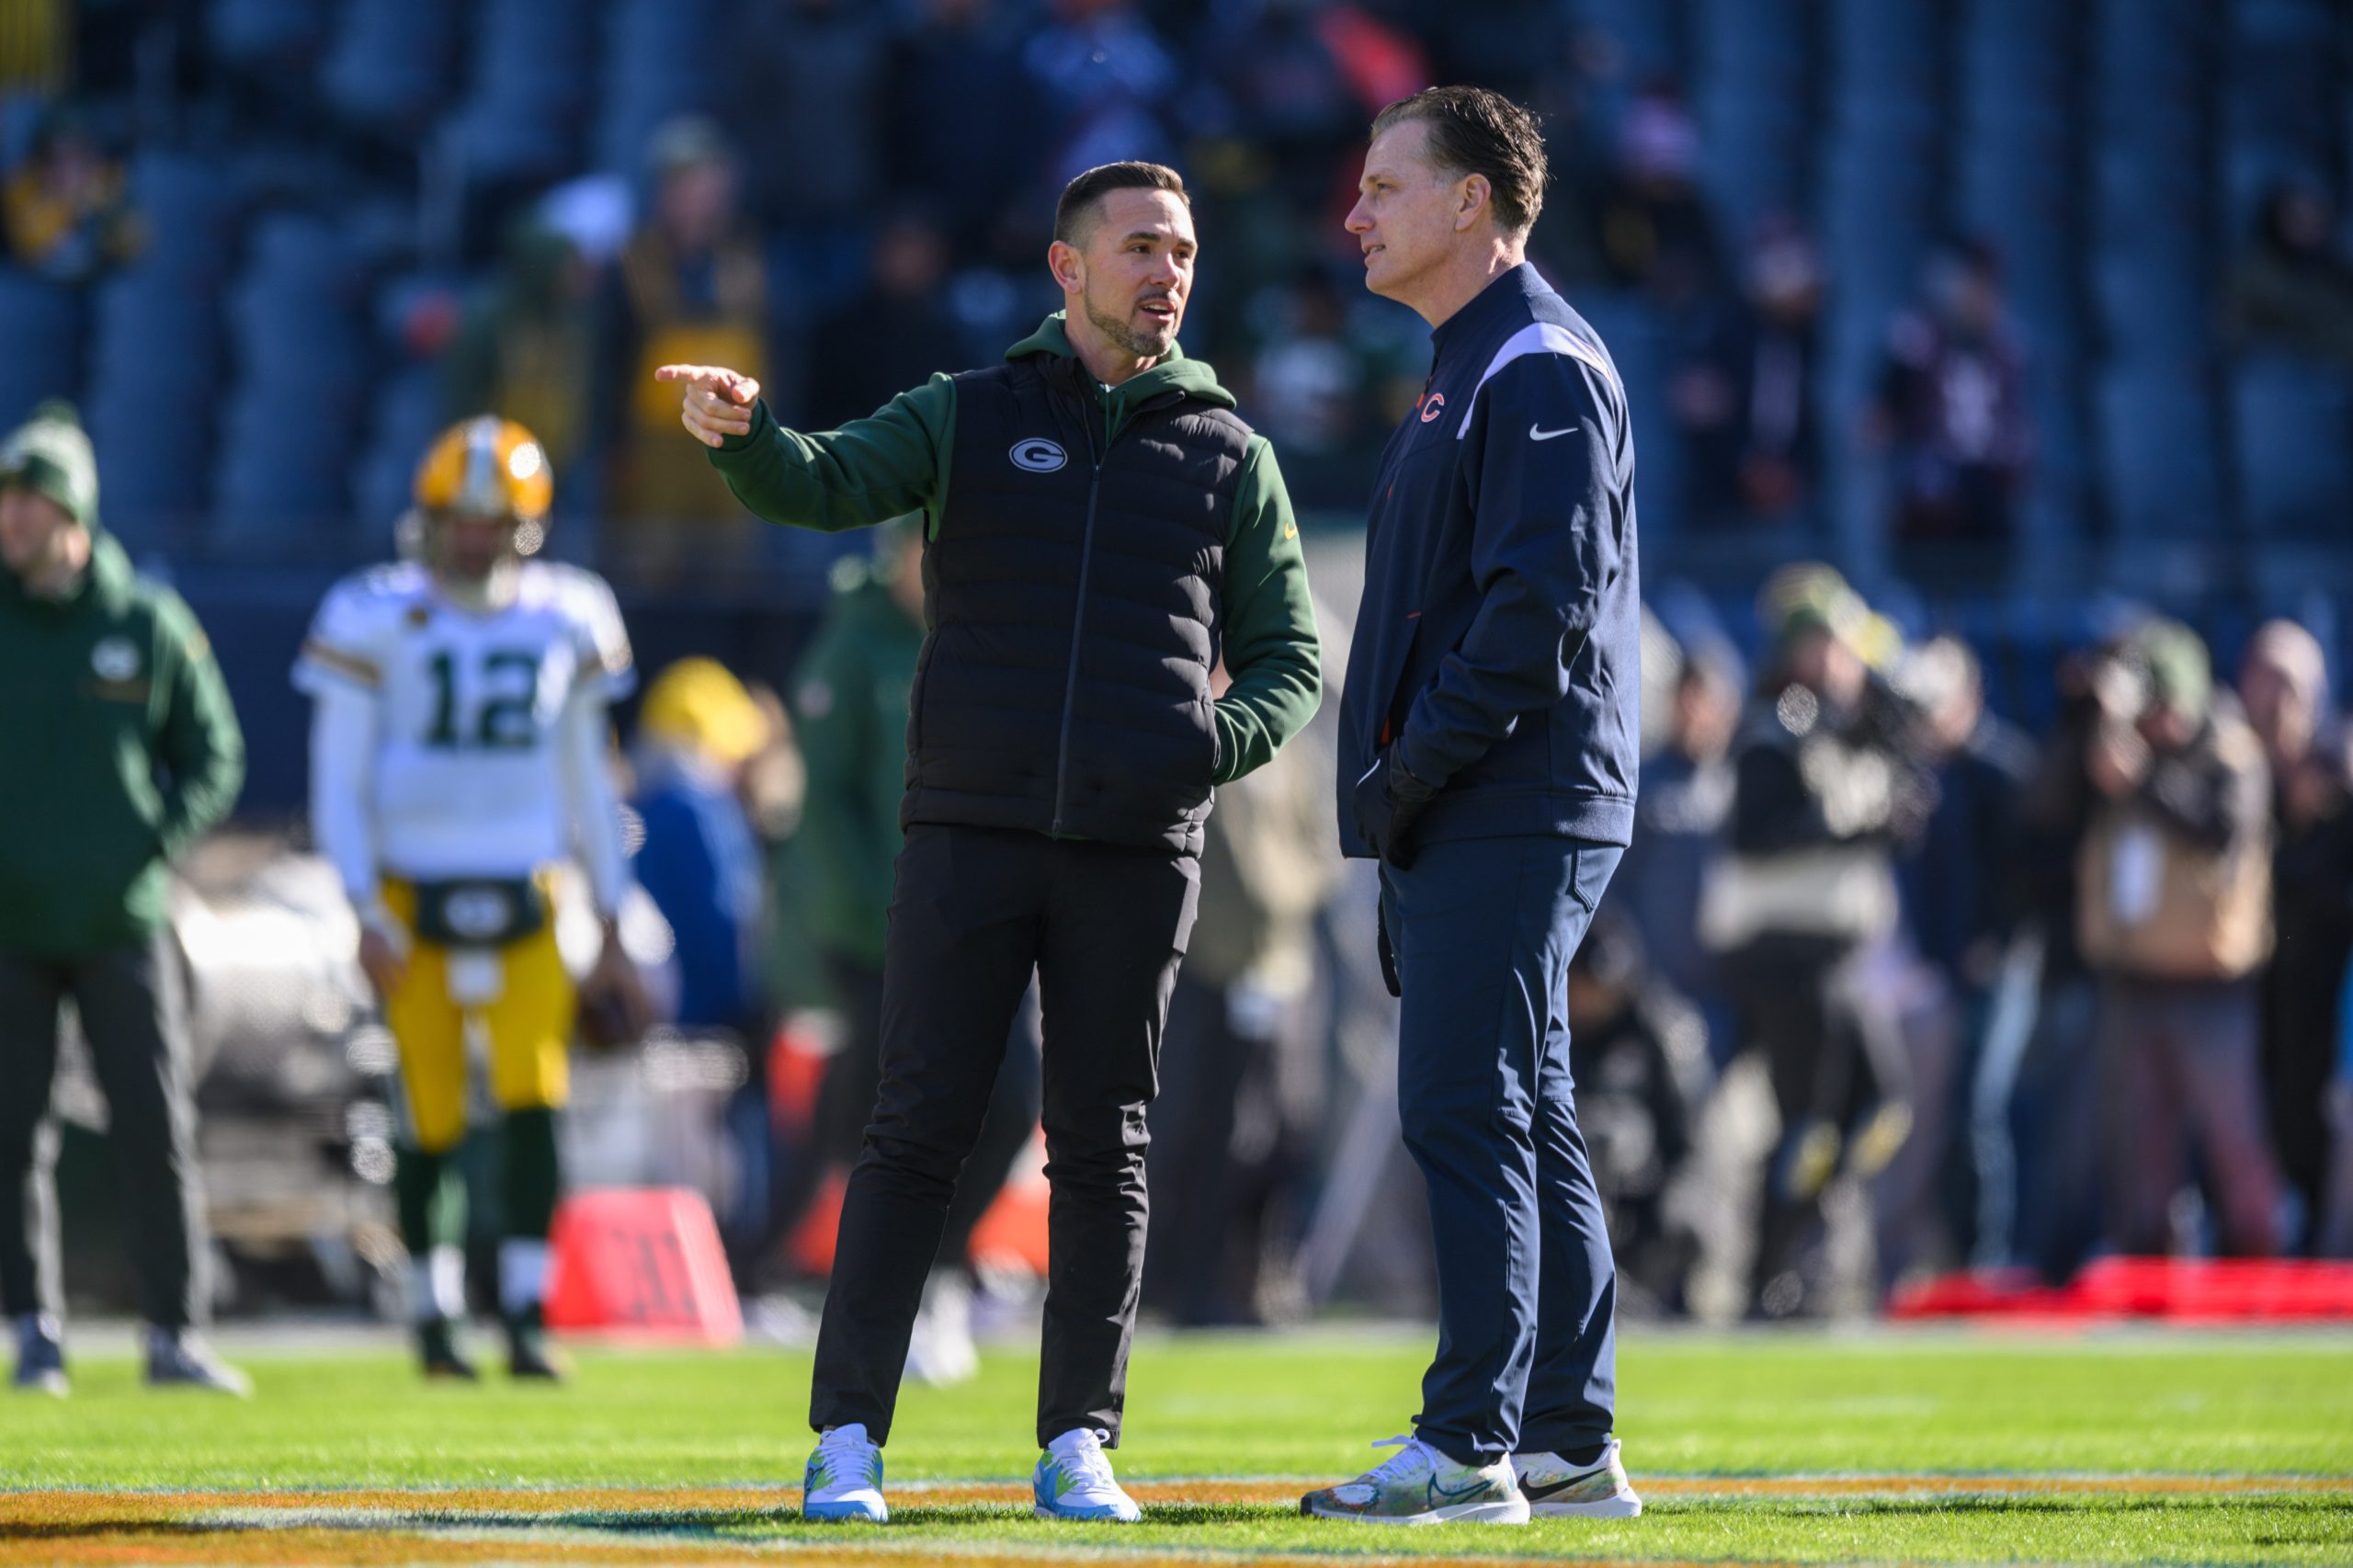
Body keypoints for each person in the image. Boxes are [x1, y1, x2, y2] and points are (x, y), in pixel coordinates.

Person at [659, 159, 1320, 1524]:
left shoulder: (1230, 452)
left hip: (1137, 850)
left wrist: (1210, 745)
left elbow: (1292, 658)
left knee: (1103, 1144)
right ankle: (847, 1436)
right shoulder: (965, 414)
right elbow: (825, 484)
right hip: (970, 827)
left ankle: (1079, 1437)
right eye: (1141, 246)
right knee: (913, 1131)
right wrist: (747, 435)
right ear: (1067, 269)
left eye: (1184, 250)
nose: (1169, 271)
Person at [1306, 85, 1642, 1527]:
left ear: (1472, 204)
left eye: (1386, 184)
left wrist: (1412, 772)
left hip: (1513, 794)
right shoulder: (1474, 362)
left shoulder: (1535, 362)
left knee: (1464, 1101)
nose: (1355, 212)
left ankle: (1469, 1443)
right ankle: (1566, 1435)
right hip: (1502, 793)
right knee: (1525, 1103)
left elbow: (1536, 609)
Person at [294, 416, 649, 1382]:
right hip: (411, 893)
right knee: (429, 1107)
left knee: (536, 1093)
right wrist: (361, 905)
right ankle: (432, 1312)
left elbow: (590, 779)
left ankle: (528, 1309)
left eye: (493, 521)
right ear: (430, 518)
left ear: (527, 526)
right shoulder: (375, 612)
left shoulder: (567, 612)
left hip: (528, 887)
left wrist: (612, 917)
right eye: (460, 518)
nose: (474, 537)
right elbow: (339, 775)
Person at [0, 402, 248, 1397]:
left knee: (155, 1128)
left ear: (74, 514)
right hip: (10, 924)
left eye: (27, 502)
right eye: (5, 501)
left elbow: (214, 752)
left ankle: (173, 1334)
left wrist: (147, 843)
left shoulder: (145, 619)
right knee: (13, 1138)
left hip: (122, 921)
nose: (10, 520)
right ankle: (33, 1331)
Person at [769, 520, 1042, 1388]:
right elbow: (825, 807)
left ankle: (943, 1271)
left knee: (1009, 1100)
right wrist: (875, 916)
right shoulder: (854, 647)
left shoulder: (987, 633)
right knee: (895, 1115)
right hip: (878, 928)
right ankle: (838, 1286)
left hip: (979, 916)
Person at [1700, 566, 1930, 1318]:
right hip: (1782, 949)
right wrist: (1854, 831)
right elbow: (1757, 836)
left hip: (1835, 954)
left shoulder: (1840, 725)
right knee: (1809, 1123)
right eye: (1832, 645)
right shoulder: (1776, 725)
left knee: (1874, 1109)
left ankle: (1792, 1251)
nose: (1847, 661)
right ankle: (1763, 1275)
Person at [2078, 619, 2283, 1257]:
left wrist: (2140, 781)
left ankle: (2258, 1255)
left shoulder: (2231, 755)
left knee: (2234, 1140)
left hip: (2210, 986)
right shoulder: (2123, 750)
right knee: (2142, 1149)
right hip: (2135, 979)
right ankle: (2151, 1267)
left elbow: (2215, 829)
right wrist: (2085, 723)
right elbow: (2047, 812)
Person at [2239, 620, 2353, 1244]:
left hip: (2327, 986)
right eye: (2267, 680)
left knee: (2316, 1124)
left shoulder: (2337, 768)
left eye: (2291, 684)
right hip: (2251, 986)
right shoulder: (2231, 766)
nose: (2278, 700)